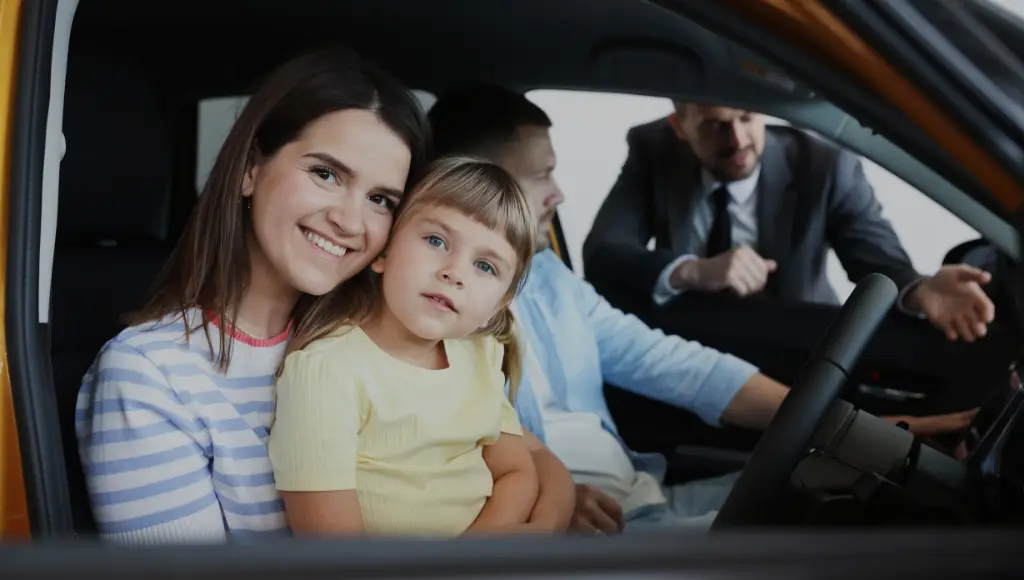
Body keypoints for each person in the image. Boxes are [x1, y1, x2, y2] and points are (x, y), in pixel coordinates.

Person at [428, 85, 978, 533]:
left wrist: (882, 432)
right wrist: (549, 501)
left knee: (870, 495)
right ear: (477, 184)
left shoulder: (549, 280)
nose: (559, 194)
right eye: (540, 175)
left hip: (646, 497)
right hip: (596, 531)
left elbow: (680, 366)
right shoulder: (433, 311)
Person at [74, 51, 573, 543]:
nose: (350, 221)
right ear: (251, 168)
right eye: (326, 174)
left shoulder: (387, 332)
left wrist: (538, 520)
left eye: (381, 200)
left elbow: (530, 461)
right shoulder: (148, 375)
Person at [268, 157, 542, 537]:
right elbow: (333, 557)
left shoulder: (481, 356)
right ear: (383, 251)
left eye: (485, 267)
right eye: (436, 241)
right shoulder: (327, 371)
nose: (454, 272)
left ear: (498, 305)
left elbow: (518, 472)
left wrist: (473, 560)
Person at [582, 103, 995, 343]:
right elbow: (604, 254)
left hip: (796, 341)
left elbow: (875, 258)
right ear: (680, 126)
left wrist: (919, 289)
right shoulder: (652, 150)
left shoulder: (825, 164)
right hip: (686, 340)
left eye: (747, 117)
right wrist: (692, 270)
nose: (738, 140)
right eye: (715, 125)